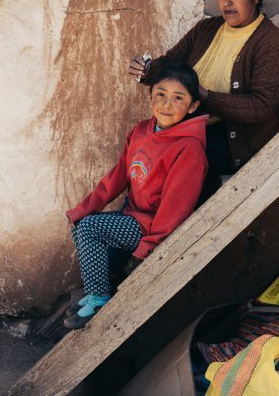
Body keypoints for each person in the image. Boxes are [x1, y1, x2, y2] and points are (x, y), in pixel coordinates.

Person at [129, 0, 279, 203]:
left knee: (167, 164)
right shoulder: (207, 29)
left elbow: (262, 107)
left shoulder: (271, 44)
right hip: (187, 134)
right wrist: (146, 71)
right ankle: (132, 227)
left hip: (226, 142)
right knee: (141, 153)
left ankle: (151, 233)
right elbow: (171, 63)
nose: (225, 2)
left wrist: (204, 96)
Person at [64, 62, 208, 329]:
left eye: (179, 98)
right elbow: (119, 175)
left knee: (90, 229)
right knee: (81, 225)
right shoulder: (142, 130)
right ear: (150, 96)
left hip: (151, 226)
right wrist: (86, 207)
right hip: (130, 216)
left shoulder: (189, 148)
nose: (167, 104)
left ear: (193, 107)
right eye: (161, 94)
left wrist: (150, 245)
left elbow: (177, 206)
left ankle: (98, 297)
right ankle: (98, 287)